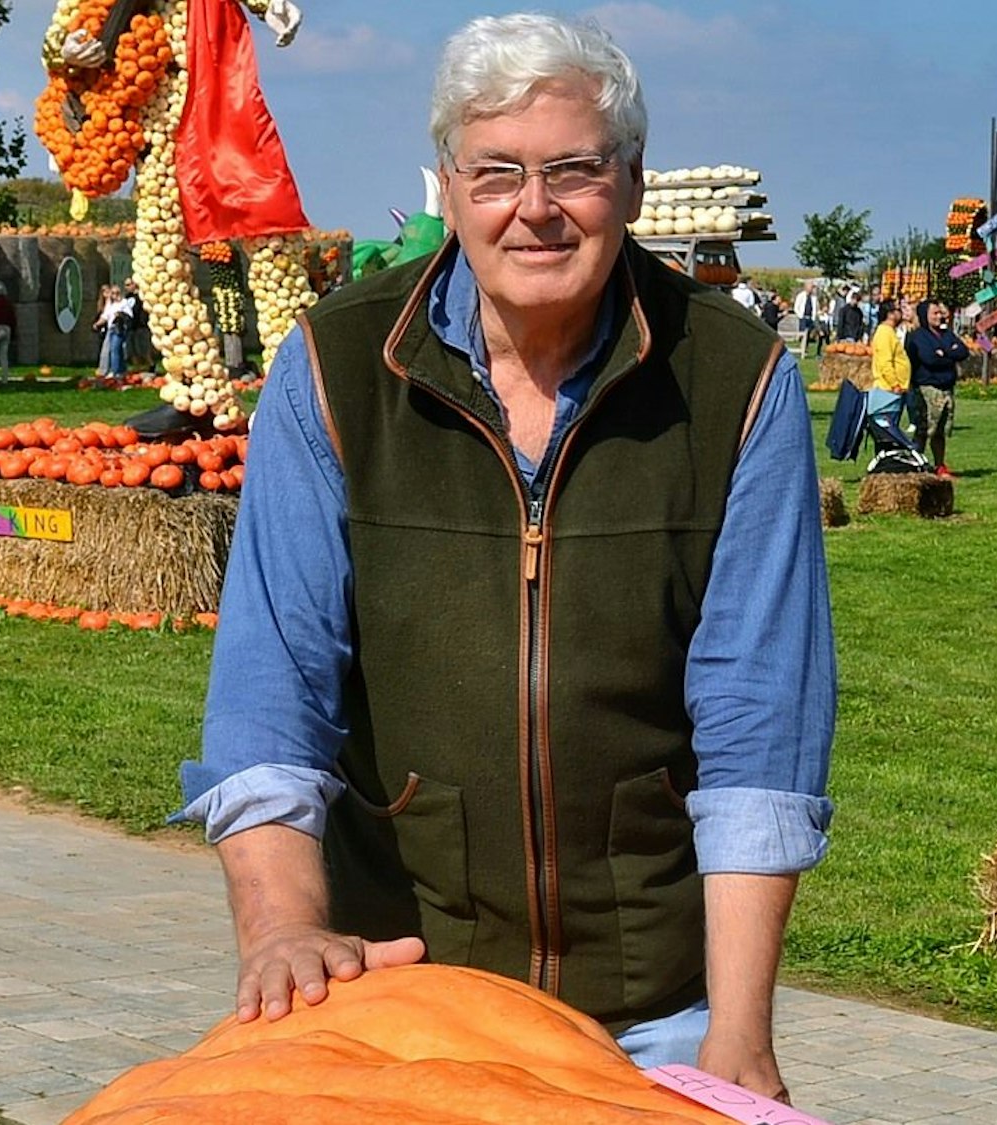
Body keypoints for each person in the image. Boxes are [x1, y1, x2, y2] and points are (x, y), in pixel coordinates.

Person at [174, 13, 834, 1102]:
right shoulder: (338, 365)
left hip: (652, 1010)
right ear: (448, 184)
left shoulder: (735, 380)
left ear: (629, 182)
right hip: (402, 991)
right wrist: (284, 931)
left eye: (572, 171)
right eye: (496, 174)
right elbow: (269, 689)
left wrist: (740, 1033)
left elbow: (759, 724)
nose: (534, 209)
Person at [904, 299, 968, 478]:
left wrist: (944, 353)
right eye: (935, 313)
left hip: (947, 387)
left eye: (941, 313)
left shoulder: (946, 334)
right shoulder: (918, 336)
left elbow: (963, 351)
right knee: (924, 429)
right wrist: (949, 355)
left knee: (940, 431)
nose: (940, 316)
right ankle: (917, 464)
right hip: (927, 388)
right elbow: (929, 359)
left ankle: (940, 465)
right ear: (925, 315)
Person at [866, 299, 909, 427]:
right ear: (890, 314)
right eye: (898, 310)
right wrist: (895, 384)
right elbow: (885, 363)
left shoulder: (890, 332)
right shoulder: (884, 333)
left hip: (892, 389)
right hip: (888, 390)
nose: (901, 314)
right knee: (887, 429)